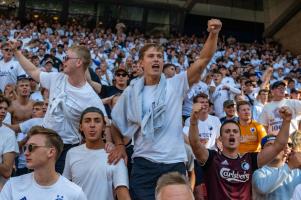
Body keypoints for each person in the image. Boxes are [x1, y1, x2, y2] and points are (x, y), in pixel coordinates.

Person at [110, 19, 222, 200]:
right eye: (151, 56)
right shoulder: (131, 93)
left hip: (174, 163)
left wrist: (213, 34)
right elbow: (114, 123)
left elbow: (202, 61)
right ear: (141, 63)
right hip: (143, 164)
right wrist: (121, 145)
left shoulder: (175, 84)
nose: (156, 59)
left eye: (159, 57)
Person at [9, 41, 107, 173]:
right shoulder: (57, 78)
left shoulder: (91, 98)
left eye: (67, 58)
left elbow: (105, 124)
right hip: (44, 140)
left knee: (56, 186)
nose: (63, 61)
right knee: (35, 181)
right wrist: (16, 52)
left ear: (78, 62)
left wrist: (112, 145)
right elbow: (33, 71)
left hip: (66, 149)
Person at [189, 101, 292, 200]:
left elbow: (278, 146)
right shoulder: (211, 158)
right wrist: (193, 122)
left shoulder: (250, 159)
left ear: (240, 137)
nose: (232, 134)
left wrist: (287, 121)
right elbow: (195, 144)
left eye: (235, 131)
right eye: (227, 131)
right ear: (220, 138)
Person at [0, 126, 87, 199]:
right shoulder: (12, 186)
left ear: (51, 152)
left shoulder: (74, 193)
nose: (26, 153)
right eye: (25, 148)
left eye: (31, 147)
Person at [63, 107, 130, 200]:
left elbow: (122, 192)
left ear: (103, 127)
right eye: (87, 121)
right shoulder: (72, 153)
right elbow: (65, 187)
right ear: (81, 127)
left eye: (97, 121)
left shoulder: (115, 155)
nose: (92, 125)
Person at [252, 135, 301, 200]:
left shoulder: (297, 171)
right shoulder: (259, 172)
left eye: (277, 145)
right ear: (262, 151)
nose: (274, 149)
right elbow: (263, 188)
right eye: (269, 145)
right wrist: (289, 166)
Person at [0, 95, 19, 190]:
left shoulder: (9, 134)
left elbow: (7, 171)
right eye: (0, 108)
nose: (3, 111)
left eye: (5, 109)